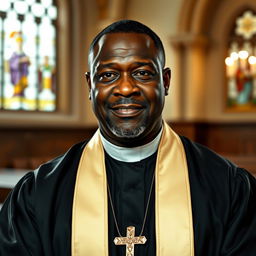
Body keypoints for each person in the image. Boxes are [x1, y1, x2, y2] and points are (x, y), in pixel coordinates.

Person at [0, 20, 256, 256]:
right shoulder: (40, 194)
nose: (125, 88)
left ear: (165, 82)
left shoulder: (228, 188)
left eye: (142, 73)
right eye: (108, 75)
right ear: (90, 86)